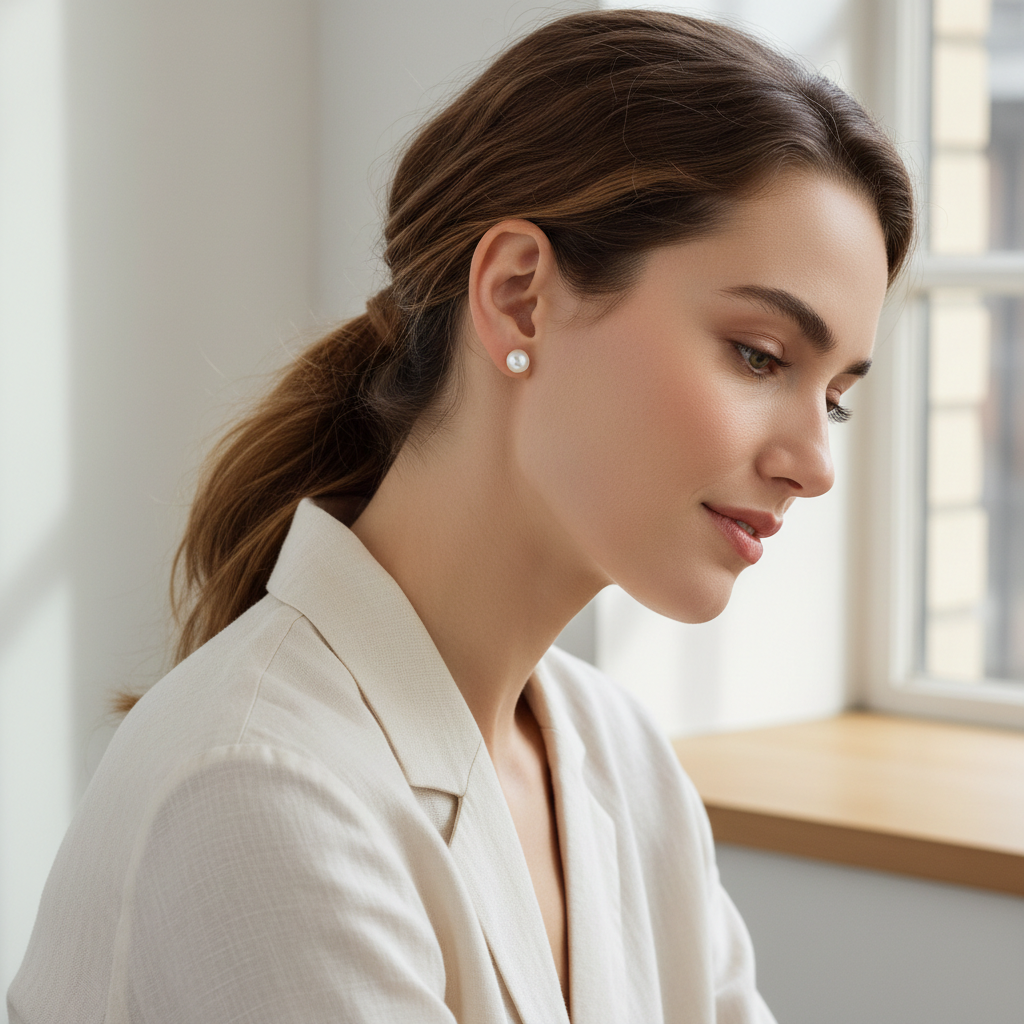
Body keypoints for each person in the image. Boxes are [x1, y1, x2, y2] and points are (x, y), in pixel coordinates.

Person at [8, 9, 914, 1024]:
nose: (815, 463)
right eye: (759, 355)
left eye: (833, 394)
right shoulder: (262, 786)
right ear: (520, 295)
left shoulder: (618, 757)